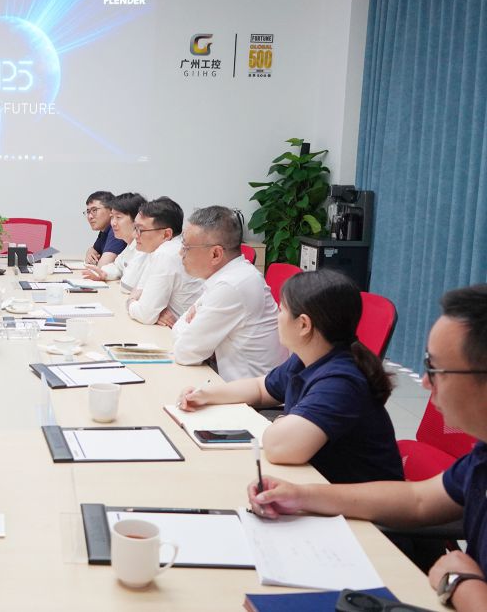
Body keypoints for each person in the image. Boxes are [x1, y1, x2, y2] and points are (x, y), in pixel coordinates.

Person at [247, 285, 487, 610]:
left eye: (435, 369)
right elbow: (417, 499)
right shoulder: (481, 455)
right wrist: (300, 496)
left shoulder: (341, 378)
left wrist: (459, 583)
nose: (425, 383)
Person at [178, 269, 402, 484]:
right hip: (319, 482)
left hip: (358, 504)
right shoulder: (308, 358)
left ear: (303, 324)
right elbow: (261, 388)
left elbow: (279, 448)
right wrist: (208, 394)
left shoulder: (340, 382)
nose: (277, 317)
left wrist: (282, 422)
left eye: (281, 310)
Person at [171, 206, 283, 381]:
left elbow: (185, 352)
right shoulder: (232, 275)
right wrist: (189, 326)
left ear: (216, 254)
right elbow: (182, 333)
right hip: (233, 384)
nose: (180, 253)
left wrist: (190, 324)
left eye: (186, 247)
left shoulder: (232, 285)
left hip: (253, 394)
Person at [125, 197, 203, 327]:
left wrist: (130, 302)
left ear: (166, 234)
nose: (134, 235)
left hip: (181, 331)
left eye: (140, 230)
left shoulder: (166, 253)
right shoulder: (162, 249)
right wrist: (146, 307)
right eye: (135, 228)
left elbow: (145, 314)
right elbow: (139, 290)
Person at [83, 192, 147, 292]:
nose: (113, 223)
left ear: (137, 220)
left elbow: (127, 286)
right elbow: (116, 267)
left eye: (118, 217)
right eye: (112, 217)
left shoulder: (144, 248)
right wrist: (104, 274)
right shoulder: (130, 246)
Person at [83, 190, 126, 266]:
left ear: (111, 210)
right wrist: (89, 251)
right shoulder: (104, 231)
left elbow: (103, 266)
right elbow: (94, 250)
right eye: (88, 212)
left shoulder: (116, 230)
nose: (90, 216)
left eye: (94, 210)